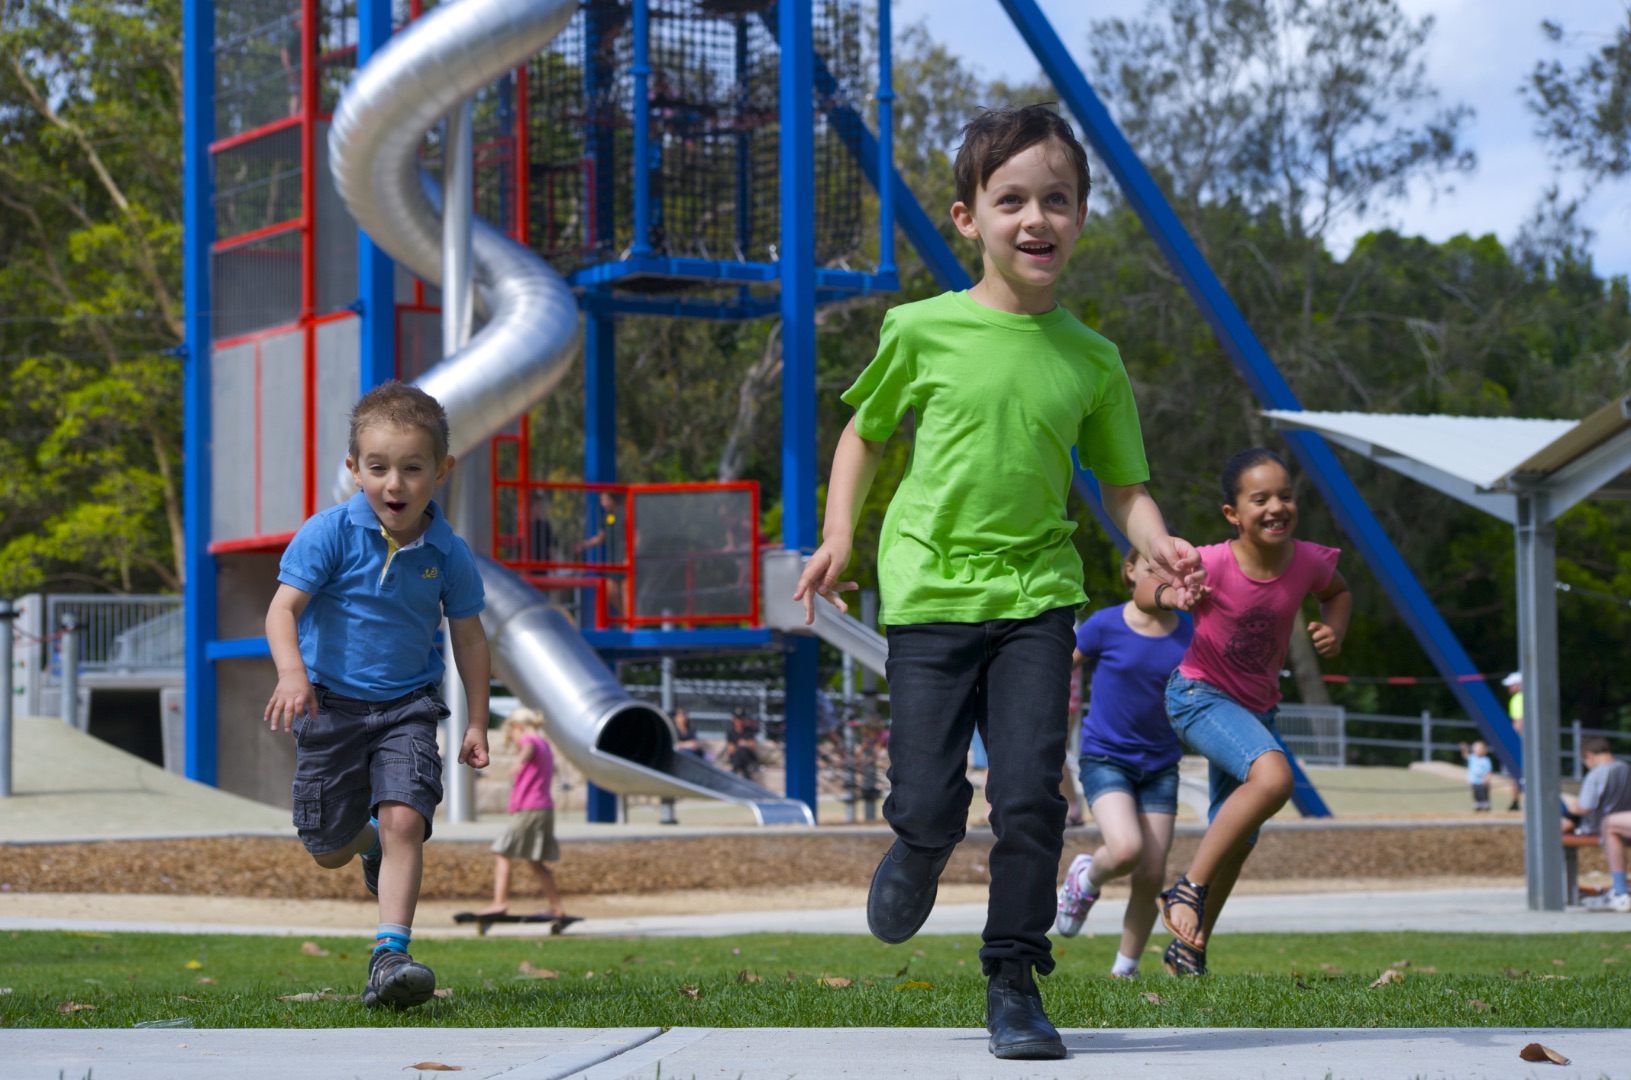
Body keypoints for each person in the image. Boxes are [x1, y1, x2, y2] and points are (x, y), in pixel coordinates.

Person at [793, 103, 1204, 1061]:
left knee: (1028, 797)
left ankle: (1013, 979)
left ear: (1080, 218)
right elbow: (864, 432)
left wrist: (1164, 542)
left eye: (1055, 201)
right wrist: (839, 534)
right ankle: (918, 842)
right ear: (967, 217)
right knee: (930, 796)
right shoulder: (920, 329)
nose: (1036, 219)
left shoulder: (1093, 360)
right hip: (931, 596)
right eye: (1011, 199)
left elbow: (1124, 486)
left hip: (1037, 600)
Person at [264, 380, 489, 1010]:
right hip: (329, 704)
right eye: (378, 467)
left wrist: (477, 721)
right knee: (328, 846)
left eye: (413, 469)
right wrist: (292, 673)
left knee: (405, 819)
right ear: (353, 469)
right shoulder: (328, 533)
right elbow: (282, 611)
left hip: (407, 709)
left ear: (441, 471)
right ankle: (363, 846)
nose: (395, 484)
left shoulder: (449, 553)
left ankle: (390, 955)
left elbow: (470, 641)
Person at [1146, 447, 1350, 978]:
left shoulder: (1306, 561)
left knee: (1240, 835)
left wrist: (1336, 627)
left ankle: (1187, 953)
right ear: (1233, 515)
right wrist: (1173, 596)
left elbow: (1339, 591)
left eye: (1285, 495)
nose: (1277, 506)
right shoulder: (1212, 561)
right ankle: (1184, 891)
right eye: (1260, 499)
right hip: (1198, 696)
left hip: (1256, 711)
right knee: (1274, 775)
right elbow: (1148, 587)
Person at [1054, 552, 1195, 980]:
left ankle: (1125, 969)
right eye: (1151, 566)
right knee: (1127, 850)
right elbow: (1059, 668)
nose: (1161, 576)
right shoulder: (1105, 624)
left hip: (1162, 764)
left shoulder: (1190, 632)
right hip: (1107, 757)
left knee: (1152, 872)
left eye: (1170, 570)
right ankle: (1086, 877)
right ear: (1129, 570)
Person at [476, 709, 567, 921]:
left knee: (502, 851)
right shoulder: (546, 745)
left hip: (529, 809)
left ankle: (499, 903)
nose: (515, 742)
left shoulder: (530, 741)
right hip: (544, 809)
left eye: (512, 737)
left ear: (518, 727)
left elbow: (528, 745)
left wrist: (519, 762)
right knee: (535, 860)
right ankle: (556, 906)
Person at [1572, 736, 1631, 912]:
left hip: (1596, 827)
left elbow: (1584, 807)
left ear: (1588, 755)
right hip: (1624, 825)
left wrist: (1568, 804)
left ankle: (1620, 892)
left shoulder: (1596, 773)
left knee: (1608, 824)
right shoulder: (1624, 768)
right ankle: (1619, 890)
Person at [1502, 671, 1523, 811]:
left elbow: (1518, 723)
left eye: (1511, 685)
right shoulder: (1531, 696)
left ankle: (1515, 802)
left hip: (1522, 741)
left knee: (1516, 772)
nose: (1509, 688)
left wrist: (1511, 741)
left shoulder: (1517, 699)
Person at [1459, 739, 1494, 812]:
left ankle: (1485, 806)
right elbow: (1465, 756)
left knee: (1484, 794)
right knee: (1476, 794)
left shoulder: (1486, 760)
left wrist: (1486, 779)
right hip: (1474, 781)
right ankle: (1478, 806)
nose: (1476, 750)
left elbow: (1488, 771)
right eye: (1475, 748)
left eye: (1478, 748)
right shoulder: (1472, 758)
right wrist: (1464, 749)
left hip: (1483, 782)